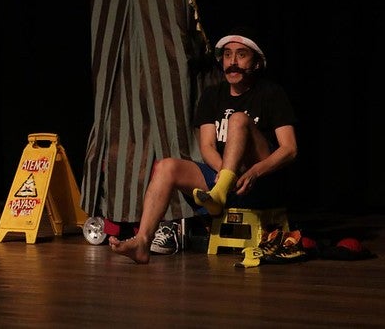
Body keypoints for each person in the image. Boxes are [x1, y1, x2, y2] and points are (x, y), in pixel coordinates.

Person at [109, 26, 298, 264]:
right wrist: (223, 173)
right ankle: (142, 242)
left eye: (241, 55)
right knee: (167, 166)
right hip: (222, 179)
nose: (233, 62)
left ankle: (220, 191)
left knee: (238, 119)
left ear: (257, 63)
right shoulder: (212, 95)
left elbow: (289, 149)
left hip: (257, 179)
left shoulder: (271, 93)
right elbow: (207, 146)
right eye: (227, 55)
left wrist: (254, 172)